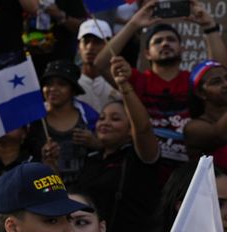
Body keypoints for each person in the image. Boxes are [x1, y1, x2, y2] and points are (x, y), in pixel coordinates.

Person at [94, 0, 227, 182]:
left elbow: (218, 70)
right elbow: (101, 64)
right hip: (146, 168)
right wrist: (134, 23)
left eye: (171, 40)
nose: (165, 44)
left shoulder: (190, 79)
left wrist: (209, 26)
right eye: (158, 41)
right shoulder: (138, 80)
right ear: (147, 53)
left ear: (182, 48)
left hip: (189, 170)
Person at [76, 56, 160, 232]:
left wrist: (124, 86)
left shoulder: (141, 157)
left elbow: (143, 128)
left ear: (128, 129)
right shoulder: (91, 159)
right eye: (102, 118)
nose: (105, 122)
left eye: (115, 119)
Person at [27, 59, 99, 184]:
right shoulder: (32, 118)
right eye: (48, 84)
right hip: (43, 189)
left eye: (61, 84)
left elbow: (110, 149)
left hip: (84, 190)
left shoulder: (89, 116)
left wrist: (96, 143)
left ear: (73, 90)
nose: (53, 89)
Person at [183, 60, 227, 166]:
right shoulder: (192, 128)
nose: (225, 84)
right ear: (201, 93)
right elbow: (220, 135)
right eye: (216, 82)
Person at [76, 19, 120, 113]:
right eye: (86, 42)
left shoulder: (120, 81)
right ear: (78, 46)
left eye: (97, 42)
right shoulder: (70, 83)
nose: (90, 47)